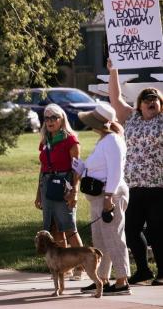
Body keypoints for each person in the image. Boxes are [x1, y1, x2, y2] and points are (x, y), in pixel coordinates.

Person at [107, 60, 163, 286]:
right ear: (139, 104)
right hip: (132, 187)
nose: (151, 101)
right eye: (147, 99)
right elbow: (115, 98)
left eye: (155, 99)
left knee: (159, 232)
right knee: (130, 230)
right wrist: (113, 70)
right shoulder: (130, 118)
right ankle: (143, 270)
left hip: (158, 186)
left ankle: (162, 272)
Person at [77, 103, 131, 295]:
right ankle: (102, 279)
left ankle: (122, 281)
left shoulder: (113, 141)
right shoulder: (104, 140)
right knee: (100, 240)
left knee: (114, 237)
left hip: (110, 195)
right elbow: (101, 167)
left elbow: (115, 172)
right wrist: (82, 168)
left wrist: (109, 197)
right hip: (98, 196)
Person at [34, 103, 84, 279]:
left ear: (62, 119)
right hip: (47, 185)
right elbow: (42, 168)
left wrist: (74, 191)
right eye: (46, 118)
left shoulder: (70, 140)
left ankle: (81, 266)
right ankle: (65, 267)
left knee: (69, 227)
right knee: (55, 229)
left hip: (64, 186)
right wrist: (38, 193)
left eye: (54, 117)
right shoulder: (45, 141)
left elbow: (78, 168)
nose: (50, 121)